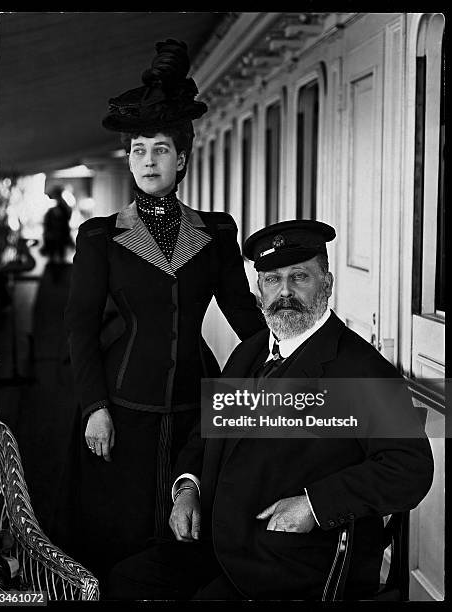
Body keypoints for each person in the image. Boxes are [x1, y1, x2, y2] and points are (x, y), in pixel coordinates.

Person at [106, 219, 434, 600]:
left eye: (300, 277)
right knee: (125, 580)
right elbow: (206, 434)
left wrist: (314, 505)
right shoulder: (249, 352)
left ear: (326, 285)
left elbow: (410, 467)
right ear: (259, 293)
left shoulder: (361, 369)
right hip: (220, 542)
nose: (285, 292)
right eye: (273, 280)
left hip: (294, 561)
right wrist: (187, 488)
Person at [63, 39, 266, 582]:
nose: (147, 162)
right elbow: (80, 327)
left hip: (196, 406)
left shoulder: (216, 232)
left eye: (159, 150)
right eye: (137, 151)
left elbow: (244, 316)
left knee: (187, 535)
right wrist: (93, 407)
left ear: (181, 158)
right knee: (119, 532)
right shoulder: (102, 237)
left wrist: (288, 353)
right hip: (121, 406)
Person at [40, 185, 74, 265]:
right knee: (54, 258)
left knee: (60, 257)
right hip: (53, 237)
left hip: (60, 236)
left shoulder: (61, 207)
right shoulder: (54, 207)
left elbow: (67, 215)